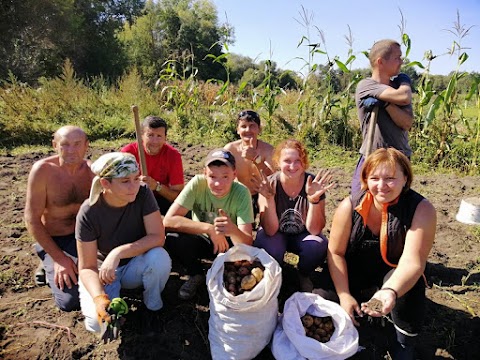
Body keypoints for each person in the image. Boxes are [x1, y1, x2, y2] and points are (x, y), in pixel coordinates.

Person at [319, 148, 436, 359]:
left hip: (394, 273)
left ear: (405, 178)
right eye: (374, 178)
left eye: (390, 178)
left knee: (411, 288)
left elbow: (412, 262)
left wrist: (390, 291)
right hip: (355, 271)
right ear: (365, 179)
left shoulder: (421, 209)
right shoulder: (349, 206)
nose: (381, 186)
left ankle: (403, 340)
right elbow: (335, 253)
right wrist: (344, 295)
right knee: (321, 300)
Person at [76, 152, 171, 333]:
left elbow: (158, 237)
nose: (134, 186)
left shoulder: (143, 193)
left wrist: (117, 253)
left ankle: (152, 301)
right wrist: (99, 298)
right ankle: (109, 300)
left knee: (159, 257)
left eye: (136, 178)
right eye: (125, 181)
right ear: (105, 183)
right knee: (98, 325)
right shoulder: (88, 212)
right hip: (104, 272)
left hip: (134, 264)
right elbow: (87, 266)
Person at [163, 149, 254, 300]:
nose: (218, 183)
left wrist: (232, 229)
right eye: (212, 176)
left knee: (243, 260)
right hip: (202, 239)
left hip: (228, 244)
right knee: (173, 238)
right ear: (204, 173)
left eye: (225, 176)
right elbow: (168, 220)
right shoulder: (197, 183)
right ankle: (196, 273)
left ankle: (224, 278)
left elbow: (248, 242)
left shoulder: (242, 192)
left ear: (234, 175)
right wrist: (209, 229)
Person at [24, 125, 94, 311]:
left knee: (107, 279)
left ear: (86, 145)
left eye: (77, 144)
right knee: (70, 302)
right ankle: (47, 258)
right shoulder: (43, 172)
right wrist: (60, 259)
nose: (71, 150)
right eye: (65, 144)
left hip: (85, 237)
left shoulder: (92, 172)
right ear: (55, 145)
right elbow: (32, 220)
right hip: (56, 239)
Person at [254, 139, 335, 292]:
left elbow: (314, 230)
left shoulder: (313, 184)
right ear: (278, 162)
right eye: (287, 161)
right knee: (268, 243)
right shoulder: (269, 184)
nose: (292, 166)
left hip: (302, 235)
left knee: (317, 244)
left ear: (304, 162)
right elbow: (270, 230)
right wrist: (269, 199)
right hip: (276, 235)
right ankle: (275, 273)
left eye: (297, 160)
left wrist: (314, 200)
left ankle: (303, 274)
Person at [352, 39, 414, 195]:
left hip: (400, 157)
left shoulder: (398, 88)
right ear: (380, 62)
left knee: (398, 207)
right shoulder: (366, 85)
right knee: (359, 201)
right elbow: (404, 96)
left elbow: (407, 123)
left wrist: (386, 105)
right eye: (397, 58)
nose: (402, 61)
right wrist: (405, 85)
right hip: (372, 155)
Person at [121, 115, 184, 215]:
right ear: (141, 136)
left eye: (159, 136)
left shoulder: (173, 156)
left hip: (160, 200)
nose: (155, 142)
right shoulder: (128, 153)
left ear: (165, 138)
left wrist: (157, 186)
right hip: (133, 199)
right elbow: (118, 187)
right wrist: (135, 183)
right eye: (150, 135)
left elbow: (178, 197)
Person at [224, 110, 274, 216]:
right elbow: (222, 175)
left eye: (252, 126)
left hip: (262, 194)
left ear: (259, 129)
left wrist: (256, 159)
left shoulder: (268, 150)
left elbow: (273, 177)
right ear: (237, 130)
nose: (248, 130)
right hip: (239, 194)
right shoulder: (230, 149)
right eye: (243, 126)